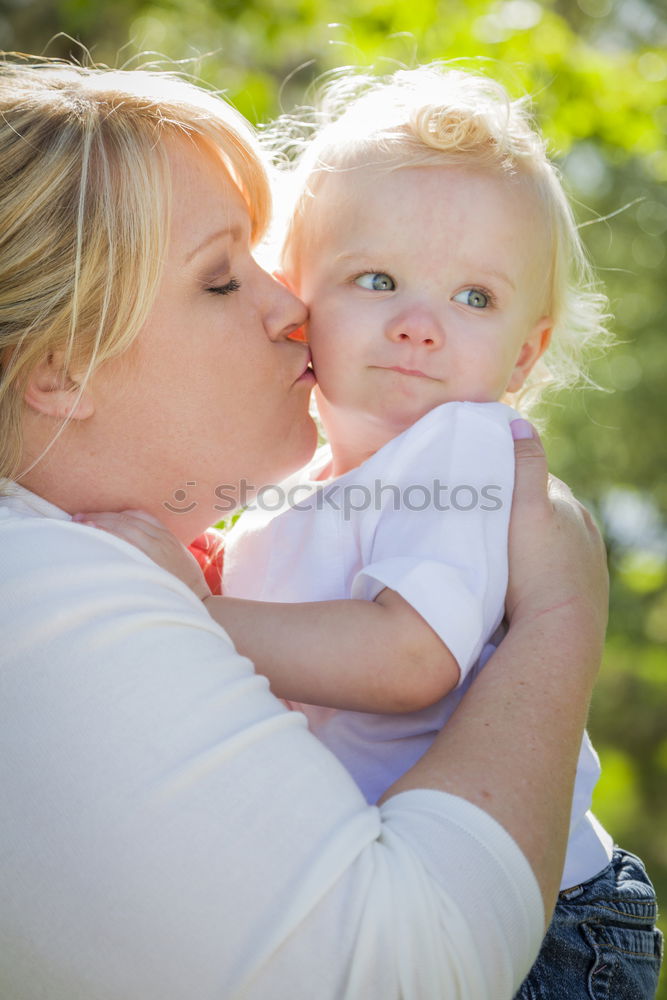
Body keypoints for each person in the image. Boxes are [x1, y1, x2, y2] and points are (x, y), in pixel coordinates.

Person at [0, 54, 632, 1000]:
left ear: (525, 350)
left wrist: (202, 614)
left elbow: (406, 659)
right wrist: (561, 613)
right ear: (59, 369)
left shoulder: (462, 452)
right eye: (222, 279)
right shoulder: (58, 575)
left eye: (474, 298)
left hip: (559, 934)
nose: (286, 310)